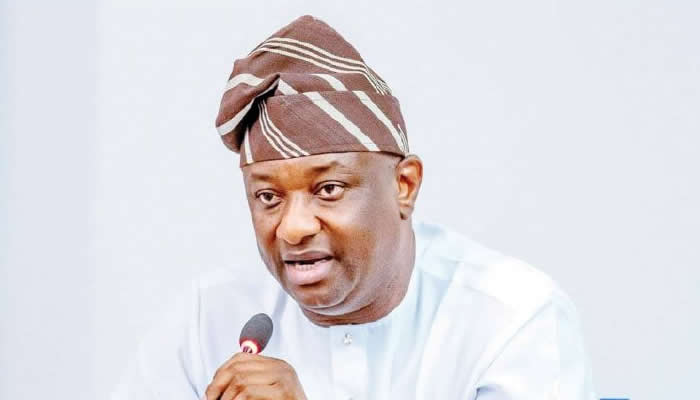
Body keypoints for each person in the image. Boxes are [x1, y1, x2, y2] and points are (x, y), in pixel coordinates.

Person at [112, 15, 596, 400]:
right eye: (268, 197)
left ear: (404, 185)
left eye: (328, 189)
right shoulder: (209, 316)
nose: (293, 229)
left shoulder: (510, 317)